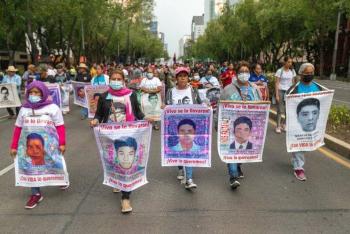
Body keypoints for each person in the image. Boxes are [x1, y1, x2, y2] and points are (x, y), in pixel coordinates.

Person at [90, 69, 146, 213]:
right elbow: (99, 114)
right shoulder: (104, 97)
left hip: (128, 134)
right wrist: (96, 120)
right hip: (110, 135)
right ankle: (116, 180)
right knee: (114, 161)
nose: (115, 81)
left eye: (118, 79)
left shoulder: (131, 95)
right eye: (113, 79)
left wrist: (146, 119)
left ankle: (125, 198)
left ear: (123, 80)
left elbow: (138, 112)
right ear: (110, 81)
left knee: (126, 164)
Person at [10, 81, 66, 209]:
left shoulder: (52, 108)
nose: (33, 95)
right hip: (28, 145)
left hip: (50, 145)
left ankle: (60, 178)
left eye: (36, 92)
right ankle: (36, 194)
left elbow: (60, 127)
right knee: (30, 168)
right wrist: (13, 146)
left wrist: (62, 143)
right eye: (31, 92)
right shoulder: (24, 109)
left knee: (53, 163)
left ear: (43, 93)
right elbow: (18, 128)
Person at [219, 61, 261, 189]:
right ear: (236, 74)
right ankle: (233, 176)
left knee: (242, 148)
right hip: (231, 125)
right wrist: (218, 123)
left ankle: (238, 165)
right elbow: (220, 107)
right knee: (231, 149)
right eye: (241, 72)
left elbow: (261, 105)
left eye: (246, 72)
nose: (244, 74)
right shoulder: (228, 89)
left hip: (248, 126)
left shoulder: (255, 89)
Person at [165, 66, 202, 189]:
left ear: (188, 78)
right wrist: (163, 107)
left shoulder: (193, 90)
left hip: (190, 126)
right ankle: (180, 167)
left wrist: (205, 107)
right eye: (180, 76)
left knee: (188, 150)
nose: (183, 78)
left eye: (185, 76)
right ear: (176, 78)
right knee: (179, 149)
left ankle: (189, 179)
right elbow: (167, 106)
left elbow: (200, 105)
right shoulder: (170, 91)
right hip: (175, 126)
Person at [286, 63, 324, 181]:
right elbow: (289, 105)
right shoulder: (294, 89)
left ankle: (295, 160)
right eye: (307, 73)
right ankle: (299, 168)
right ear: (301, 74)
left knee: (306, 145)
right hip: (297, 123)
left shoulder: (319, 88)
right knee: (299, 144)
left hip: (312, 123)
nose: (309, 75)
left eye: (311, 73)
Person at [275, 56, 297, 133]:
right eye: (288, 62)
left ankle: (284, 124)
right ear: (284, 62)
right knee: (280, 110)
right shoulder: (279, 71)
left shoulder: (293, 71)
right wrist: (277, 94)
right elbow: (277, 83)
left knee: (288, 109)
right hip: (281, 91)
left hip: (289, 92)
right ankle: (278, 126)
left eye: (291, 62)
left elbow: (294, 83)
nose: (290, 63)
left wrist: (293, 93)